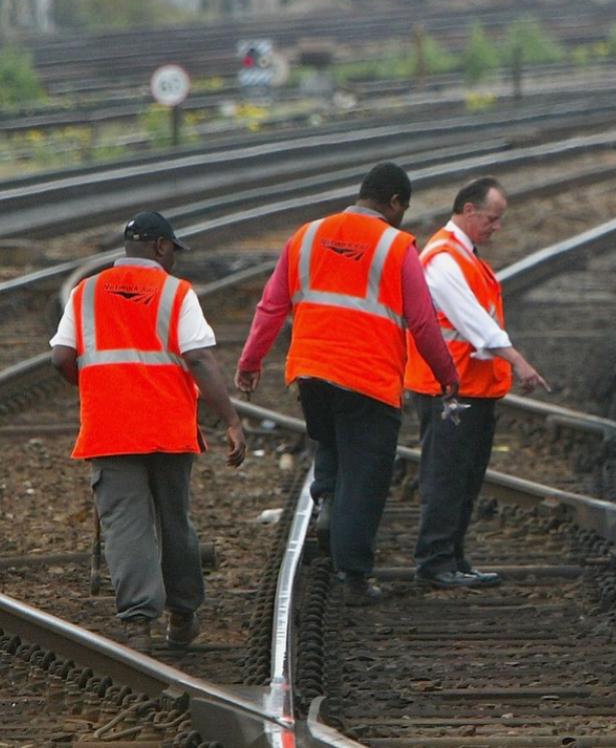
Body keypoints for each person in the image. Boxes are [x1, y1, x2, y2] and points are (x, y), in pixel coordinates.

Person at [235, 162, 459, 605]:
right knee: (367, 475)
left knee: (332, 443)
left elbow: (271, 305)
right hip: (368, 377)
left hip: (312, 372)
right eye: (403, 209)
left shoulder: (308, 235)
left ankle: (326, 505)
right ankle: (354, 575)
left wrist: (250, 360)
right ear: (394, 202)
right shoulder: (396, 247)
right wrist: (446, 373)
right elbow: (422, 320)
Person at [49, 211, 247, 651]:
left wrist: (99, 388)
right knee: (174, 519)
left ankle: (138, 622)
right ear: (160, 247)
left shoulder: (85, 293)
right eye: (173, 250)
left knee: (125, 523)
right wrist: (231, 419)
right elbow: (199, 359)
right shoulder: (176, 293)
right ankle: (182, 614)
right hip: (168, 426)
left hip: (110, 428)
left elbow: (61, 358)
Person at [405, 177, 549, 588]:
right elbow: (474, 323)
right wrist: (518, 361)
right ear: (468, 211)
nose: (496, 226)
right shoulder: (443, 260)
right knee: (447, 476)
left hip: (471, 387)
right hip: (448, 389)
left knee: (465, 477)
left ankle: (453, 557)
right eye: (492, 218)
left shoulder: (465, 256)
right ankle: (434, 563)